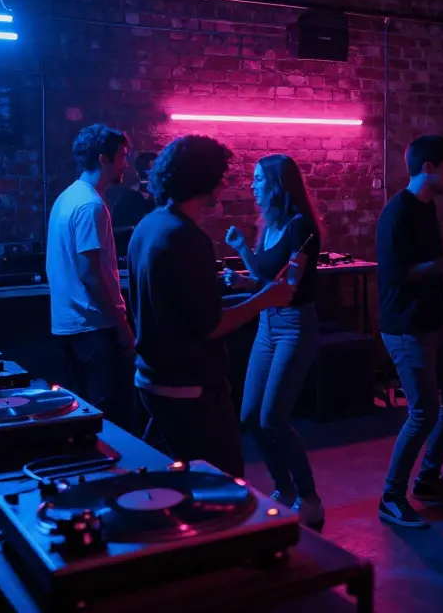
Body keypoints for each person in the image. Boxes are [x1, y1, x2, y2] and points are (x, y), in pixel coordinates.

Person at [127, 136, 293, 478]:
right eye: (222, 174)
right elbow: (210, 326)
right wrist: (265, 298)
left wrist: (245, 295)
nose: (226, 182)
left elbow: (177, 309)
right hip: (189, 388)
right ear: (204, 179)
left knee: (175, 488)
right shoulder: (187, 237)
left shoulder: (148, 226)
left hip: (151, 379)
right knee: (223, 490)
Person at [222, 154, 326, 530]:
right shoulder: (270, 225)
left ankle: (310, 498)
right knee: (250, 415)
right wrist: (246, 280)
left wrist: (244, 254)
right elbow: (268, 281)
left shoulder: (302, 229)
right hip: (268, 324)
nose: (253, 185)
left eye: (259, 179)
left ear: (279, 185)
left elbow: (289, 288)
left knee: (274, 417)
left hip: (294, 326)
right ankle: (283, 489)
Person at [376, 134, 443, 527]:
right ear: (428, 167)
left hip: (435, 321)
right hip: (406, 326)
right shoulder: (397, 212)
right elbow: (397, 275)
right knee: (424, 411)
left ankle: (428, 479)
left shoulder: (427, 207)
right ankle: (391, 496)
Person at [47, 124, 137, 432]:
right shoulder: (90, 205)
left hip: (70, 326)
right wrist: (123, 326)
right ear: (103, 159)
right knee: (110, 420)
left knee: (84, 416)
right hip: (94, 328)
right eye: (123, 156)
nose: (126, 163)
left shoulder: (67, 198)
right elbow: (91, 274)